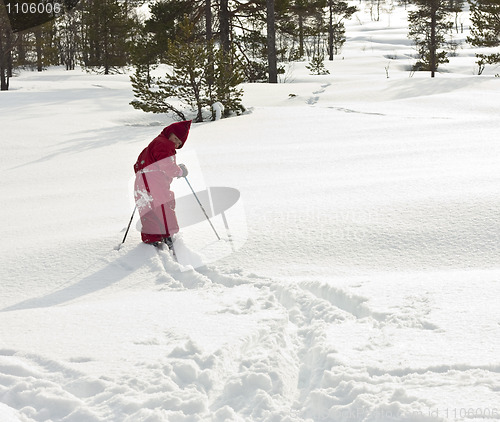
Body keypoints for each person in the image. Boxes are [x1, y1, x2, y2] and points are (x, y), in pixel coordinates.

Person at [133, 120, 191, 247]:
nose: (175, 143)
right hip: (155, 182)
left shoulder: (154, 144)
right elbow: (167, 166)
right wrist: (180, 171)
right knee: (164, 206)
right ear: (169, 133)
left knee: (147, 208)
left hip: (141, 182)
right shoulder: (164, 144)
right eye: (175, 138)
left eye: (179, 143)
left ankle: (151, 237)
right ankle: (168, 235)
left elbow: (139, 164)